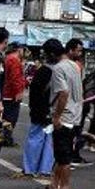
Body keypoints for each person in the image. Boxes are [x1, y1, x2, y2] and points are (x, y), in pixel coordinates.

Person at [46, 38, 85, 189]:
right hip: (75, 114)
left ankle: (65, 188)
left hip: (65, 116)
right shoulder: (74, 66)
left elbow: (63, 93)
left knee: (63, 156)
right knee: (62, 154)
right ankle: (54, 186)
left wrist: (56, 117)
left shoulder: (58, 68)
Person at [23, 40, 61, 177]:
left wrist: (35, 110)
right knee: (50, 141)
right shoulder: (62, 70)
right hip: (56, 110)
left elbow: (35, 94)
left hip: (40, 111)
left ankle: (30, 168)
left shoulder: (43, 71)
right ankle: (45, 168)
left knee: (35, 139)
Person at [1, 44, 28, 146]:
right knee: (11, 118)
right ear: (19, 49)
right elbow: (15, 78)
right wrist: (18, 92)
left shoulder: (8, 58)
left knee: (6, 116)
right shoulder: (14, 60)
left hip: (6, 92)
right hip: (11, 94)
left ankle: (5, 137)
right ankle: (6, 138)